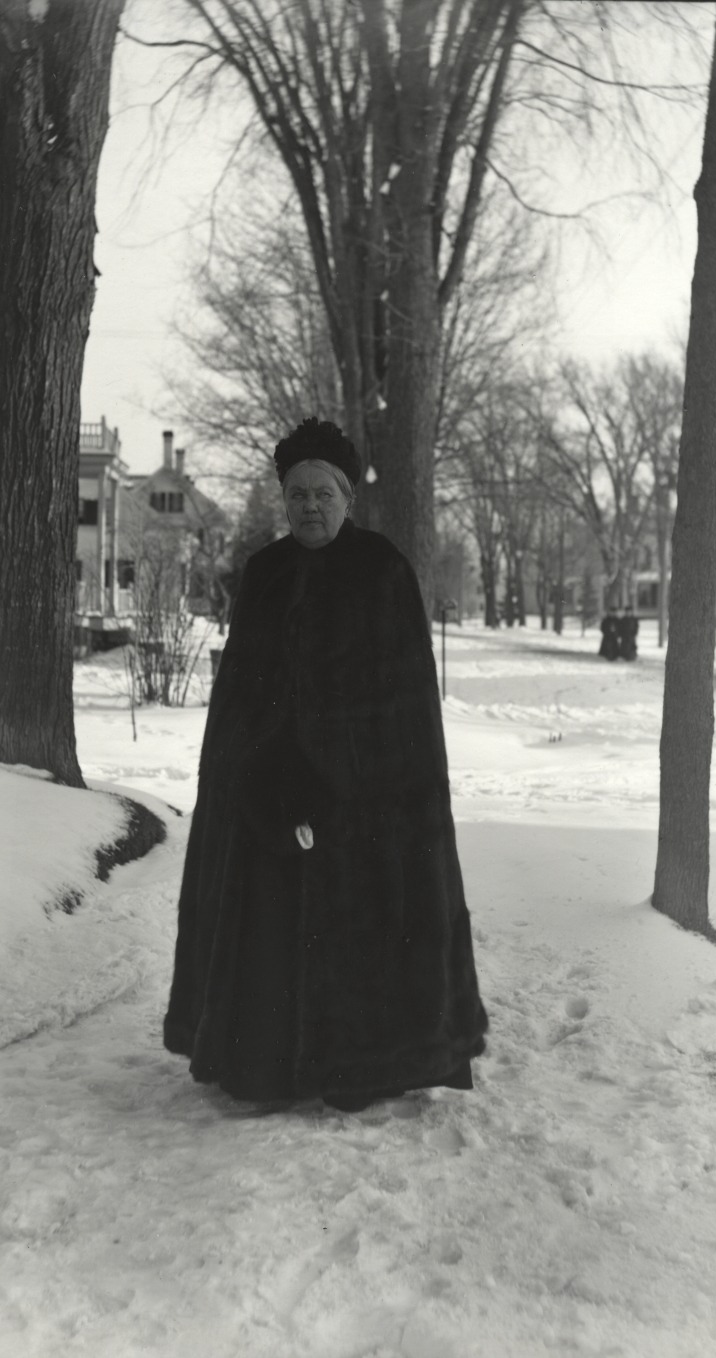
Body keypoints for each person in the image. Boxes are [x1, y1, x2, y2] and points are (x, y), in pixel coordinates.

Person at [163, 417, 488, 1112]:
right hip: (270, 798)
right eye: (298, 494)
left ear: (348, 498)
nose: (310, 507)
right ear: (284, 499)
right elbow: (240, 700)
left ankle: (362, 1069)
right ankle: (265, 1068)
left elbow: (406, 705)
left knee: (360, 931)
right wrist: (265, 776)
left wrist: (350, 776)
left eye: (324, 494)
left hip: (368, 803)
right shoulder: (265, 574)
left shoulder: (383, 571)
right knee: (271, 931)